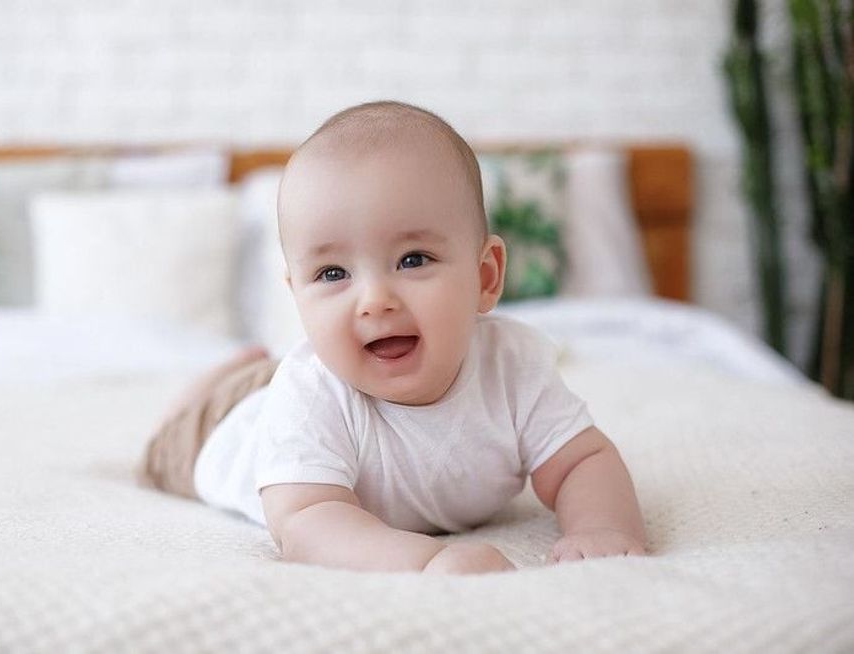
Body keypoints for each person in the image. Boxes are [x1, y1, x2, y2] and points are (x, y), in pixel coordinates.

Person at [142, 100, 647, 574]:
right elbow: (305, 523)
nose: (374, 300)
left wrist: (601, 526)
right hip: (228, 431)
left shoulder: (512, 365)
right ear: (297, 295)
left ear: (486, 276)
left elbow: (582, 460)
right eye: (333, 273)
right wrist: (425, 561)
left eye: (413, 260)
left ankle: (250, 369)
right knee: (173, 448)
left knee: (268, 375)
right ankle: (210, 387)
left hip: (292, 377)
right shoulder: (312, 394)